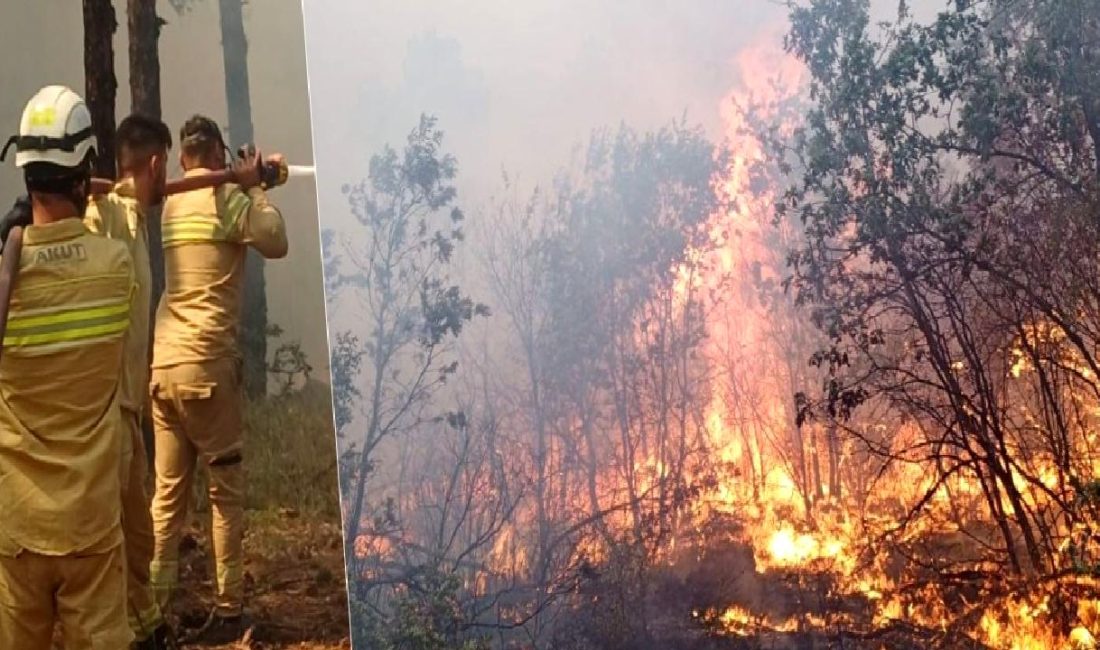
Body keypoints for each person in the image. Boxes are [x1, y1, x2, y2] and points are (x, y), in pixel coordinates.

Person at [0, 85, 135, 649]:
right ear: (85, 174)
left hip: (16, 528)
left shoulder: (8, 275)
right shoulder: (116, 266)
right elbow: (88, 244)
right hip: (90, 528)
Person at [148, 114, 288, 643]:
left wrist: (248, 179)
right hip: (207, 370)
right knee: (225, 495)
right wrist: (255, 190)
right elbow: (274, 240)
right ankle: (229, 612)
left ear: (184, 158)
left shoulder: (173, 204)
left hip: (163, 369)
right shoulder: (227, 202)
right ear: (218, 155)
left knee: (166, 501)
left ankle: (155, 615)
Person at [84, 113, 178, 650]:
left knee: (137, 533)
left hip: (131, 406)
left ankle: (148, 627)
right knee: (112, 531)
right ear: (157, 163)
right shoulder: (111, 216)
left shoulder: (139, 220)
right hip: (106, 407)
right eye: (164, 170)